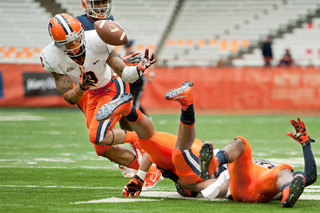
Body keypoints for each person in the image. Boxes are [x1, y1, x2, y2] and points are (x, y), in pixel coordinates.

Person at [98, 81, 316, 207]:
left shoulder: (186, 178)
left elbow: (200, 186)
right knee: (159, 144)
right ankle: (130, 109)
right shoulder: (184, 173)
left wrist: (142, 176)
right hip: (230, 174)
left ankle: (132, 109)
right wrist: (305, 146)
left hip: (223, 177)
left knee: (154, 142)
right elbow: (311, 177)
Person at [40, 13, 161, 189]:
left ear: (82, 31)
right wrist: (81, 87)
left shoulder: (97, 40)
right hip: (92, 94)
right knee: (101, 148)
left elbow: (125, 73)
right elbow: (69, 98)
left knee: (97, 135)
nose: (76, 45)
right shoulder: (51, 57)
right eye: (69, 43)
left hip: (112, 86)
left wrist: (138, 70)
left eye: (77, 39)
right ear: (58, 45)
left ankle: (140, 138)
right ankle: (149, 171)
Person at [76, 0, 149, 178]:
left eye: (104, 2)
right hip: (88, 86)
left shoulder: (109, 20)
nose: (101, 6)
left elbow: (106, 56)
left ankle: (144, 159)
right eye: (97, 2)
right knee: (101, 145)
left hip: (110, 81)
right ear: (86, 3)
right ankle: (138, 164)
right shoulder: (76, 24)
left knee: (123, 114)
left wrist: (122, 62)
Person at [120, 40, 155, 116]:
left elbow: (149, 62)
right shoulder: (122, 55)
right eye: (126, 47)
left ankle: (139, 120)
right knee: (128, 100)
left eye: (128, 47)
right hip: (127, 80)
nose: (127, 48)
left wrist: (151, 74)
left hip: (138, 79)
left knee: (135, 100)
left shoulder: (138, 54)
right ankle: (145, 117)